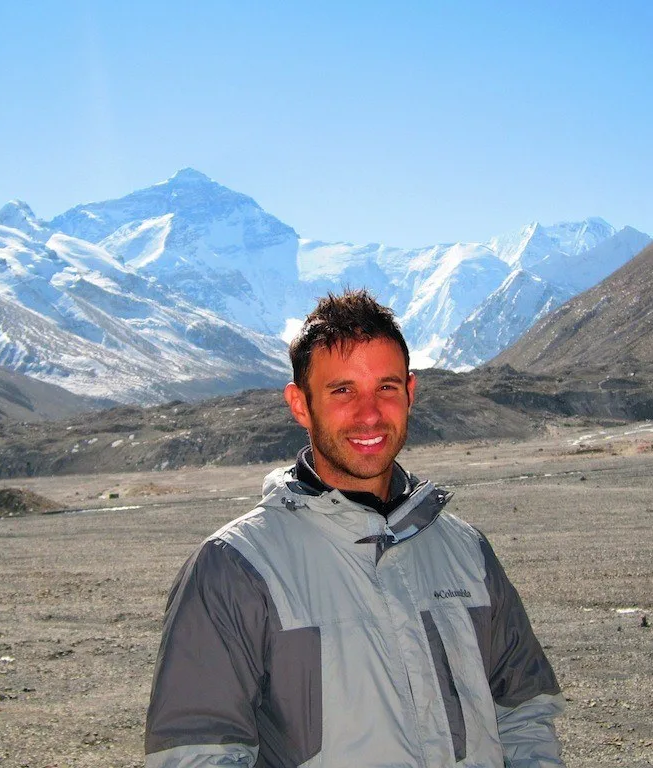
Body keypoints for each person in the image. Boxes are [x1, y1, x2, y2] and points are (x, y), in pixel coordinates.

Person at [145, 289, 565, 767]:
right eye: (342, 390)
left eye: (385, 387)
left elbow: (524, 714)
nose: (369, 414)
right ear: (300, 404)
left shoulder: (466, 550)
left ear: (410, 393)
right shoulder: (234, 569)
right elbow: (197, 753)